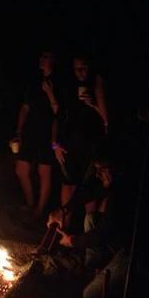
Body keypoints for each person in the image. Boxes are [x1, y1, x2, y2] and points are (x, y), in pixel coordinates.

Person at [47, 152, 133, 298]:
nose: (98, 174)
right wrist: (64, 210)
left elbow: (101, 234)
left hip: (131, 251)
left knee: (89, 296)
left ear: (115, 169)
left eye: (102, 169)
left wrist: (72, 241)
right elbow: (89, 190)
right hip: (115, 237)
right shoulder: (113, 182)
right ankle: (93, 268)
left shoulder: (123, 192)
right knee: (91, 218)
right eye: (96, 169)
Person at [52, 55, 109, 229]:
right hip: (69, 144)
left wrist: (94, 105)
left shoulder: (96, 84)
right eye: (77, 68)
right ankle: (64, 229)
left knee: (88, 188)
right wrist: (55, 144)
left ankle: (88, 235)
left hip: (90, 145)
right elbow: (58, 116)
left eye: (84, 67)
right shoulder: (68, 88)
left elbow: (106, 122)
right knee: (68, 183)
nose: (81, 72)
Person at [12, 49, 61, 219]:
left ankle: (40, 210)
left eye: (46, 56)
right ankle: (31, 202)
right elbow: (25, 107)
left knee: (44, 171)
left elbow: (59, 111)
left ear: (53, 60)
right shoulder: (33, 81)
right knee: (21, 169)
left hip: (48, 132)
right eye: (40, 56)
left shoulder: (59, 81)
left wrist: (49, 92)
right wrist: (18, 130)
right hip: (30, 131)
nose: (41, 59)